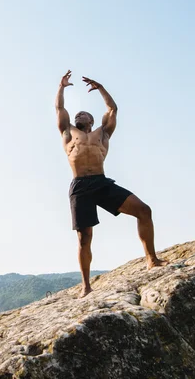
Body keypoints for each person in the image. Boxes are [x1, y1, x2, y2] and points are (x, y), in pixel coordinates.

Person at [55, 70, 167, 298]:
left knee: (144, 211)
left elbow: (112, 109)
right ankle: (86, 286)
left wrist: (101, 88)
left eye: (84, 113)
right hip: (80, 186)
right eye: (78, 113)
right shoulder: (68, 132)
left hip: (101, 182)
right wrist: (61, 87)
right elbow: (59, 110)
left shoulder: (103, 134)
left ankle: (151, 260)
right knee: (84, 238)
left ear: (92, 121)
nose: (80, 114)